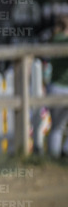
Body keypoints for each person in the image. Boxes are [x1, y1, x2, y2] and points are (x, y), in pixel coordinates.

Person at [44, 15, 68, 157]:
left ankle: (54, 156)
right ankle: (64, 152)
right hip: (65, 88)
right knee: (59, 126)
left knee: (56, 127)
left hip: (54, 87)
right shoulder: (63, 39)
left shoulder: (53, 39)